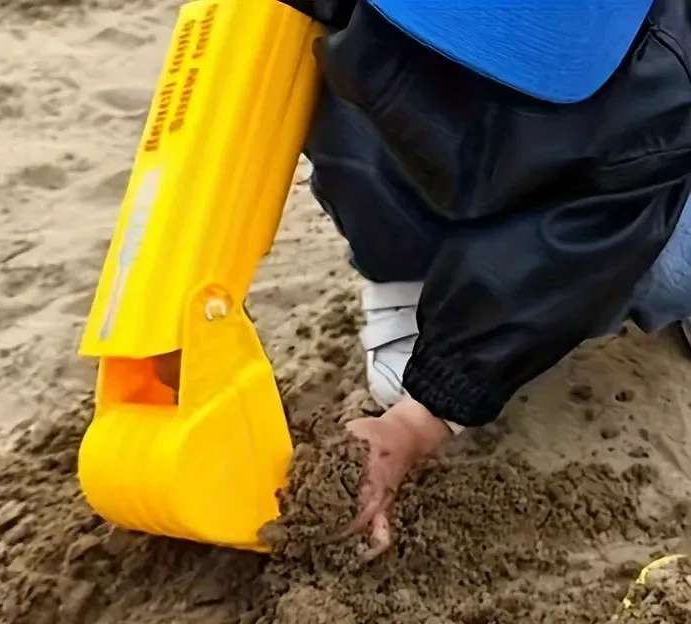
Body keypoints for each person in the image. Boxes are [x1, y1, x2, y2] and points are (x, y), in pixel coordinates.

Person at [282, 0, 691, 559]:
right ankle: (410, 275)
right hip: (410, 99)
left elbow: (572, 243)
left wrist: (422, 416)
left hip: (641, 133)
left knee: (666, 255)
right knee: (347, 105)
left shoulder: (660, 78)